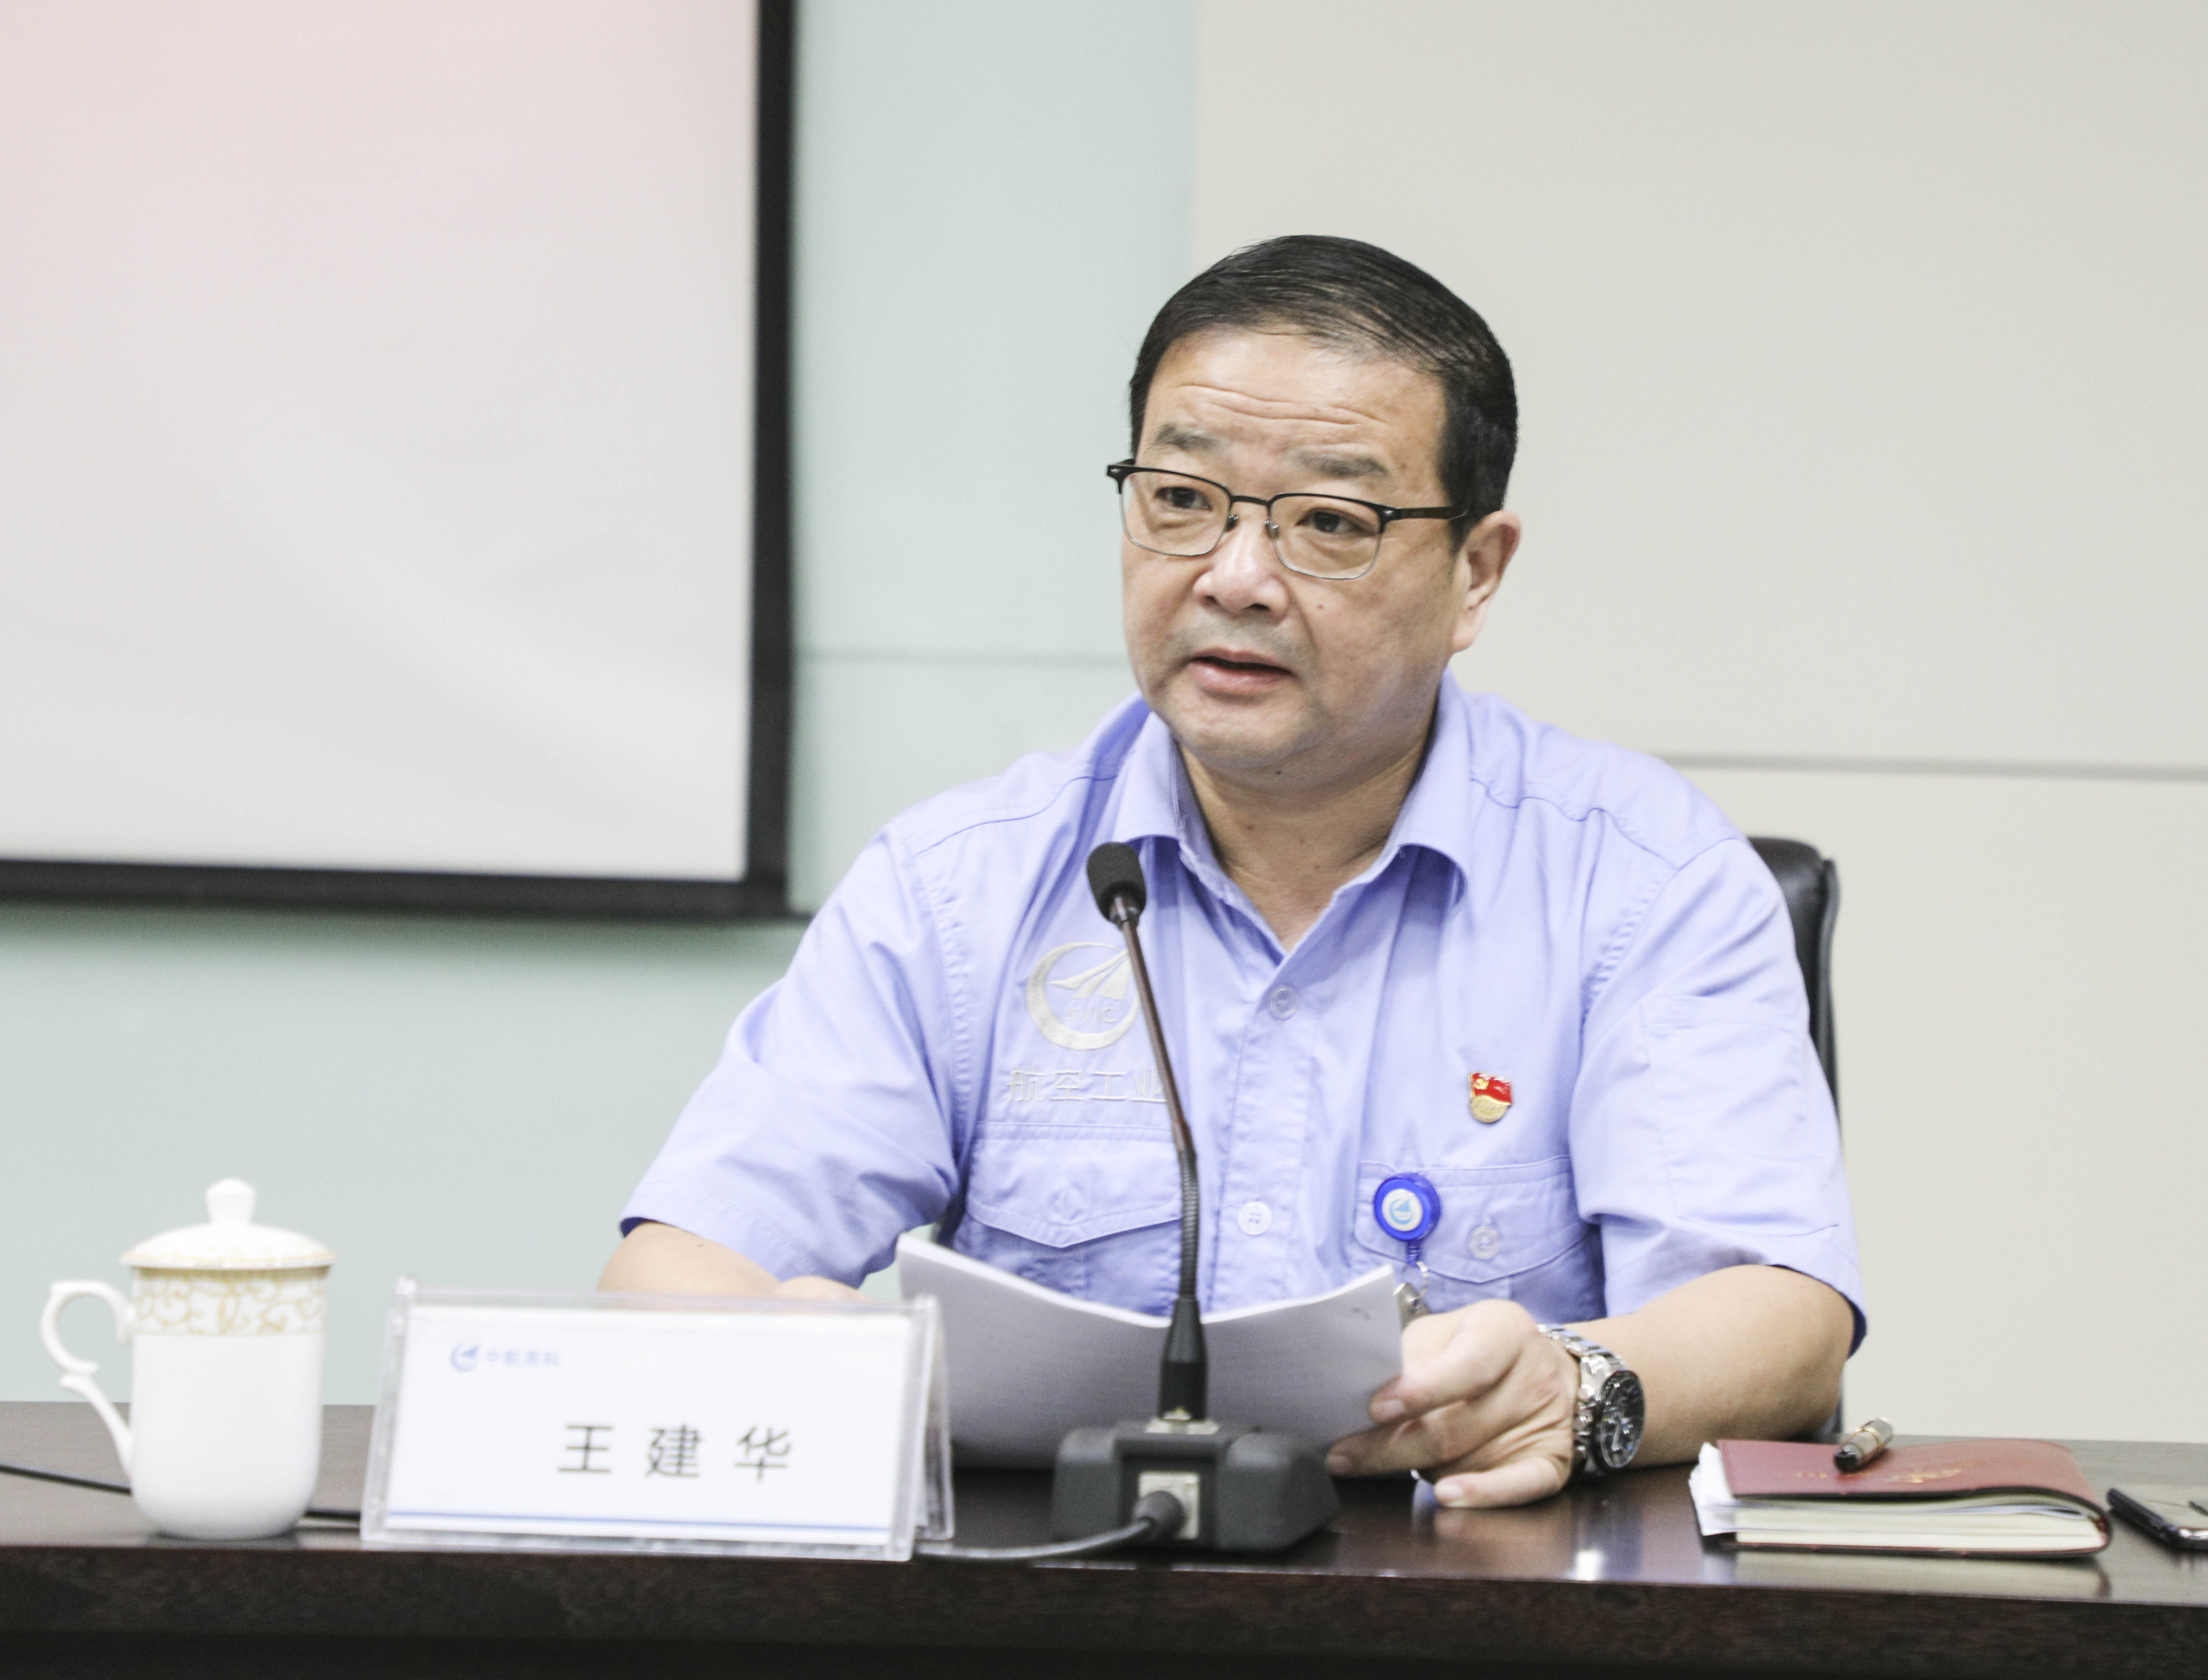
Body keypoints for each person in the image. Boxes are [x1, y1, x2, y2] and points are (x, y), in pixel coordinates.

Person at [603, 235, 1860, 1509]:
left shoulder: (1643, 882)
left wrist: (1573, 1388)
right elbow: (680, 1263)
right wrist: (799, 1353)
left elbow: (1779, 1316)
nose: (1236, 578)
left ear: (1475, 573)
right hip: (1056, 1593)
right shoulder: (956, 887)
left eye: (1331, 523)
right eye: (1180, 501)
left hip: (1474, 1586)